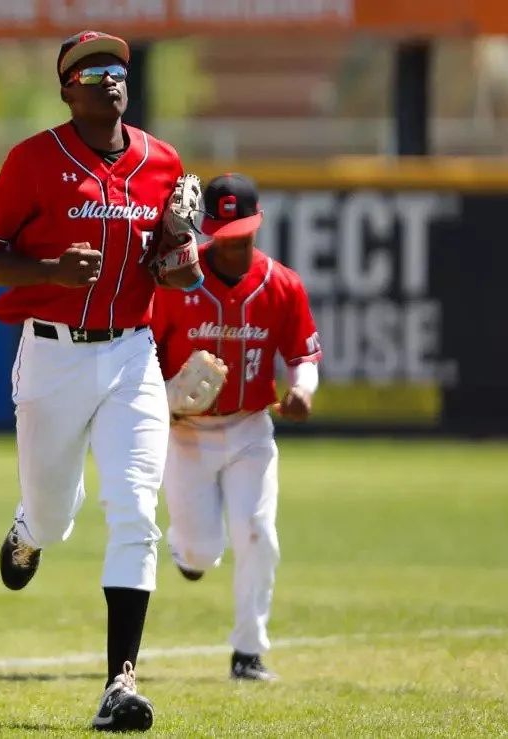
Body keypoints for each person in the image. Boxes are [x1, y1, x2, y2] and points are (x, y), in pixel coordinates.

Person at [0, 30, 202, 732]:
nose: (109, 78)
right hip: (53, 355)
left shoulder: (163, 162)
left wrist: (180, 246)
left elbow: (179, 272)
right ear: (67, 90)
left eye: (117, 68)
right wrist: (47, 273)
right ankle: (29, 529)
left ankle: (119, 683)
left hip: (132, 353)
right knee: (55, 513)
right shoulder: (34, 160)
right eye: (91, 71)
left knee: (134, 509)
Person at [150, 173, 323, 682]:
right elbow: (139, 355)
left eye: (244, 235)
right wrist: (164, 397)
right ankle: (188, 551)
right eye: (225, 237)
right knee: (202, 550)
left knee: (257, 533)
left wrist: (303, 390)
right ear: (207, 232)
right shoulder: (174, 282)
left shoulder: (282, 284)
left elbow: (302, 353)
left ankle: (248, 652)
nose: (235, 247)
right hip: (184, 434)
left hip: (249, 429)